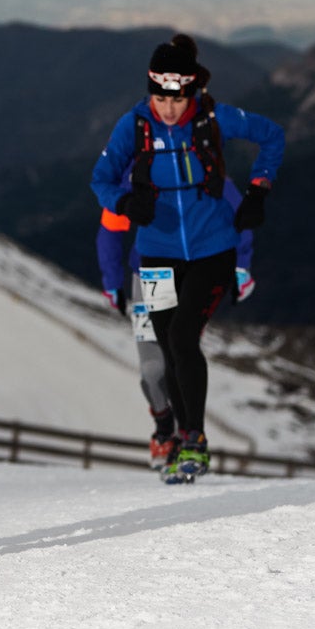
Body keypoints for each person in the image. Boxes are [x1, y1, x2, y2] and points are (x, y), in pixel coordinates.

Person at [91, 34, 284, 483]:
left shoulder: (213, 119)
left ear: (192, 90)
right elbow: (100, 180)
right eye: (160, 97)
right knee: (166, 355)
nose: (169, 108)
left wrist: (260, 188)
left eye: (177, 98)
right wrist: (123, 204)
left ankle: (193, 439)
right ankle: (178, 438)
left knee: (181, 339)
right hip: (155, 258)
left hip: (212, 249)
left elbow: (272, 136)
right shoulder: (134, 126)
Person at [96, 178, 255, 470]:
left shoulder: (198, 156)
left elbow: (236, 210)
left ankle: (188, 440)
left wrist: (241, 264)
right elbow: (110, 228)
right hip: (149, 277)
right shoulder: (130, 171)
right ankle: (164, 427)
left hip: (196, 272)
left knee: (179, 352)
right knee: (152, 369)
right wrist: (111, 280)